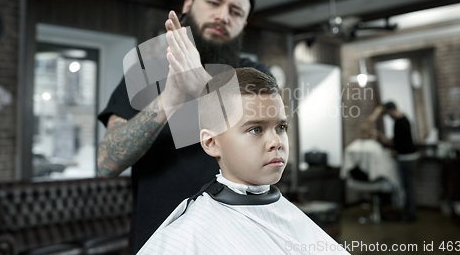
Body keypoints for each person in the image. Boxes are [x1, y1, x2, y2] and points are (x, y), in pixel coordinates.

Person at [97, 0, 272, 253]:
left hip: (237, 241)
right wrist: (170, 98)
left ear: (244, 24)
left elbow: (269, 149)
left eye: (235, 11)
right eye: (213, 3)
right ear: (188, 5)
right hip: (157, 242)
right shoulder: (145, 71)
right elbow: (107, 163)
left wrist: (200, 83)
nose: (223, 16)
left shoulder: (255, 76)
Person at [137, 68, 349, 255]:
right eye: (255, 129)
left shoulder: (289, 214)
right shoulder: (185, 235)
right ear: (211, 143)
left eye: (281, 128)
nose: (276, 141)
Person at [368, 101, 419, 222]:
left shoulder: (400, 122)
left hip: (406, 158)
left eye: (387, 114)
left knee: (408, 187)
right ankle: (408, 212)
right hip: (409, 157)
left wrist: (379, 136)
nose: (388, 117)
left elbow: (395, 143)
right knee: (408, 186)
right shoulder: (404, 119)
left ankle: (410, 214)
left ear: (391, 110)